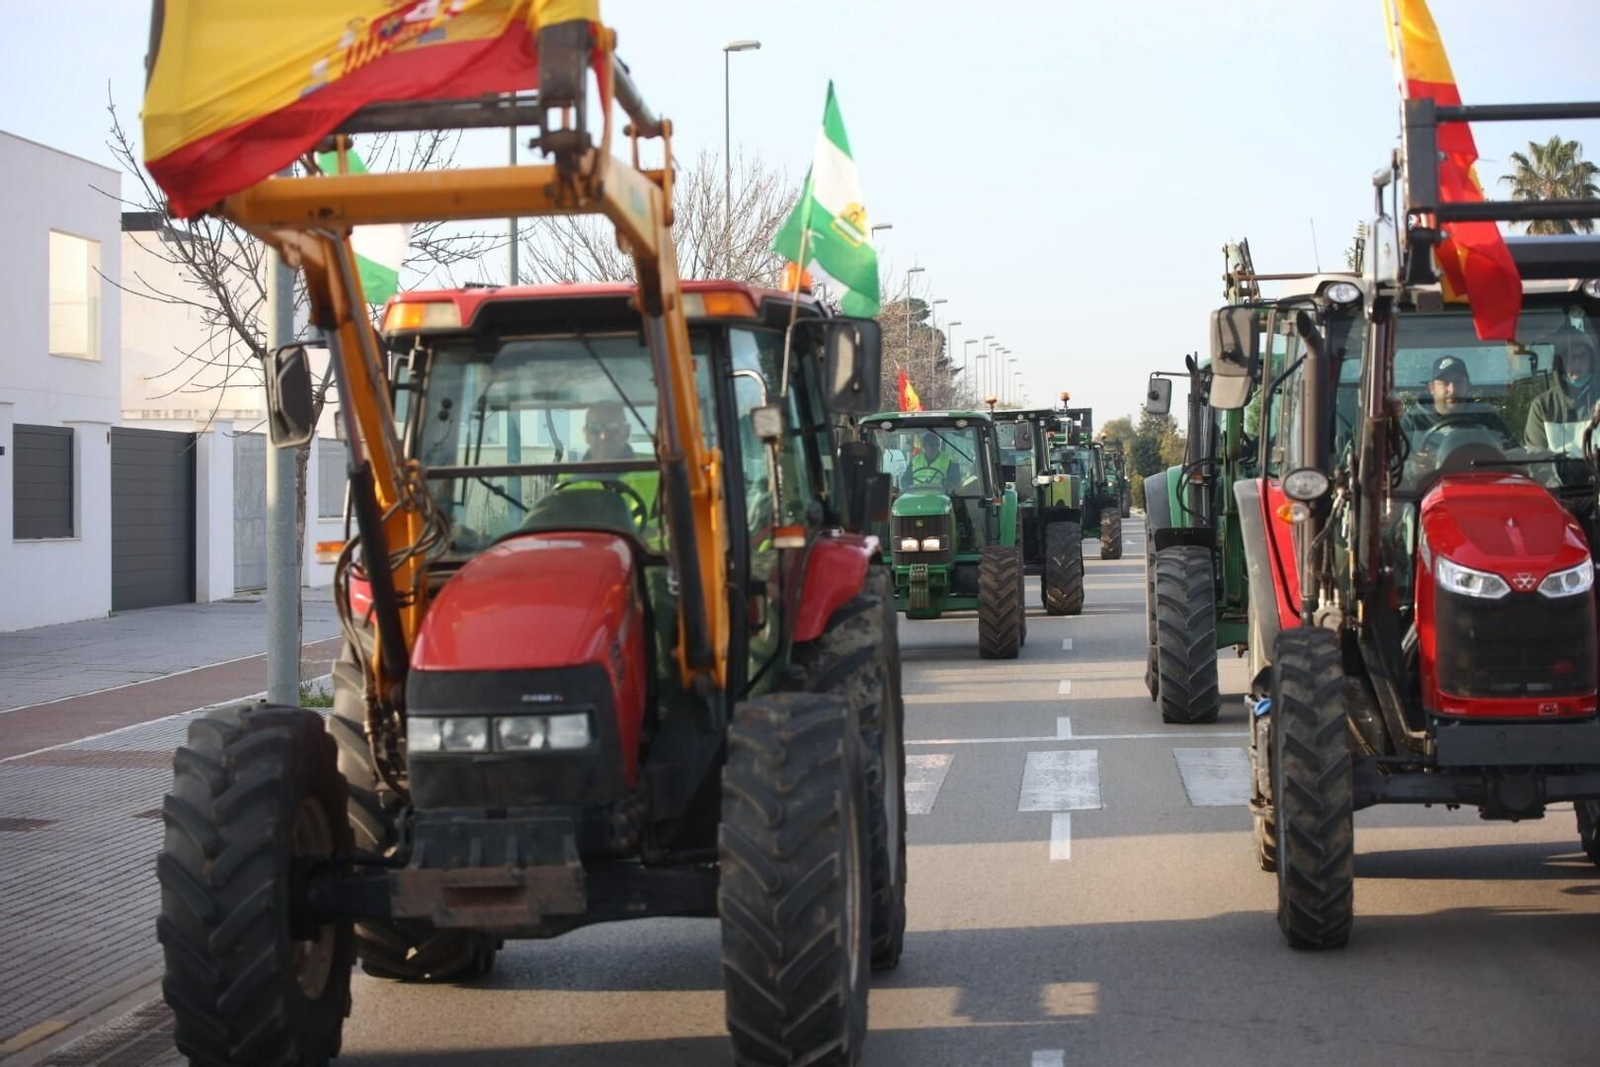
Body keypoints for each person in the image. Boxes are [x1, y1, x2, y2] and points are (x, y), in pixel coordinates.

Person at [1524, 328, 1600, 454]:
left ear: (1591, 361)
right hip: (1553, 474)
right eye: (1571, 357)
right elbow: (1536, 460)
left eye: (1582, 356)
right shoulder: (1542, 406)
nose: (1577, 362)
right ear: (1560, 363)